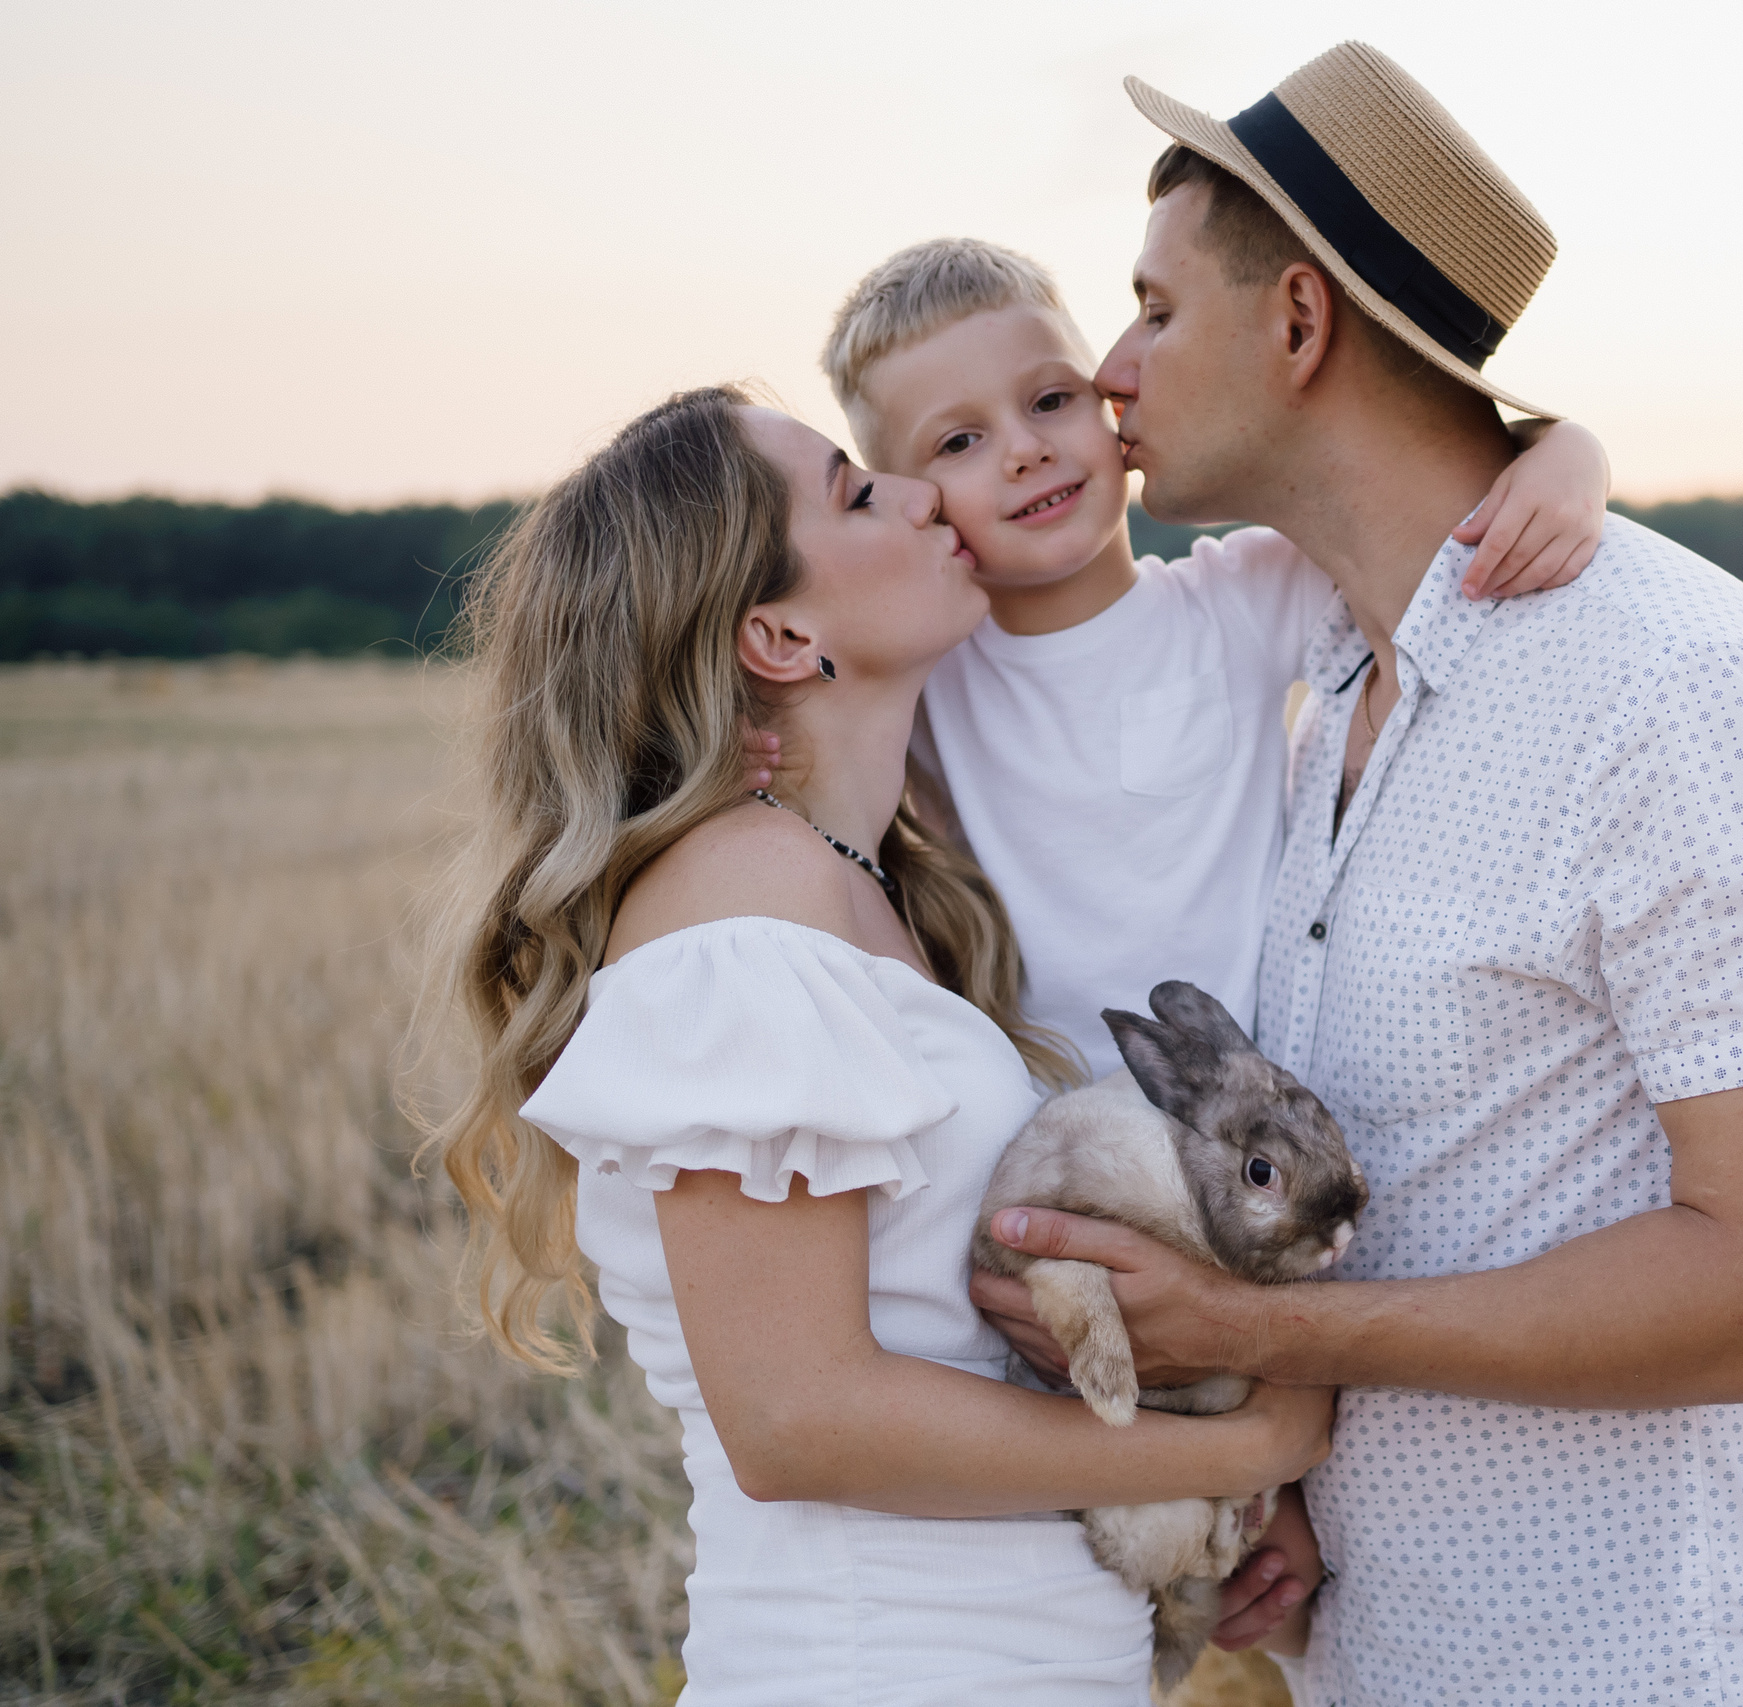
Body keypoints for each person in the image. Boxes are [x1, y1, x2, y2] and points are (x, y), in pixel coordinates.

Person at [973, 43, 1743, 1704]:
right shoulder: (1332, 683)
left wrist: (1265, 1336)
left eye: (1155, 309)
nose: (1109, 367)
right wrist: (1314, 1484)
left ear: (1302, 323)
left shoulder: (1669, 690)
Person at [417, 385, 1334, 1705]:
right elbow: (800, 1417)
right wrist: (1243, 1437)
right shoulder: (738, 915)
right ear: (780, 632)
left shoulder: (852, 891)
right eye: (856, 490)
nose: (919, 493)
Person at [802, 236, 1611, 1072]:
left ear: (1109, 400)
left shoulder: (1237, 599)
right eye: (958, 443)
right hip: (1049, 1125)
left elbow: (1419, 509)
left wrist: (1567, 451)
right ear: (910, 497)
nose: (1024, 449)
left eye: (1049, 400)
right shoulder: (930, 683)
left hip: (1257, 1118)